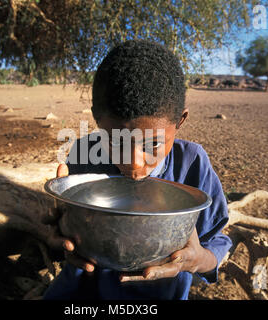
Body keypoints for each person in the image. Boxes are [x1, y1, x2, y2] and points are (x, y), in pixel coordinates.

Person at [43, 40, 232, 300]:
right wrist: (57, 236)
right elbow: (62, 234)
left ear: (180, 121)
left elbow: (216, 245)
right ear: (97, 119)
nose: (135, 167)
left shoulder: (192, 165)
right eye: (116, 142)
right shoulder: (84, 154)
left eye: (153, 144)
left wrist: (197, 260)